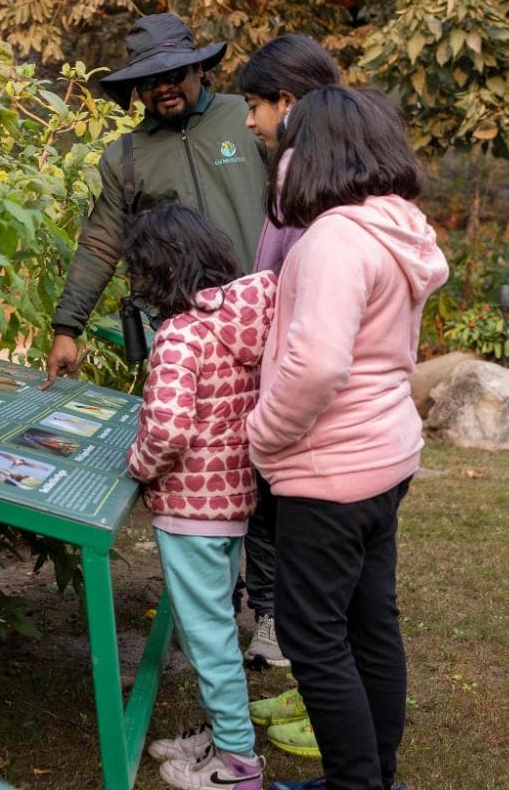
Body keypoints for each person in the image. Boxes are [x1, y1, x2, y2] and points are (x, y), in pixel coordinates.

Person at [247, 87, 448, 790]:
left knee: (312, 636)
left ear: (312, 152)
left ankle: (357, 785)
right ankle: (372, 779)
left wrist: (260, 436)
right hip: (385, 459)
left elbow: (318, 364)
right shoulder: (398, 230)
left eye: (285, 144)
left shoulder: (334, 237)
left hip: (329, 471)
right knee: (369, 623)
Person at [123, 203, 276, 790]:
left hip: (189, 507)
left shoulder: (180, 334)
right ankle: (219, 733)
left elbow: (166, 429)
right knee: (210, 625)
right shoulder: (238, 323)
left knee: (207, 635)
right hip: (232, 501)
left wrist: (138, 465)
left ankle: (236, 765)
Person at [44, 13, 268, 387]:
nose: (163, 87)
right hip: (185, 340)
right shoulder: (126, 158)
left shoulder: (248, 119)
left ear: (198, 67)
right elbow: (100, 244)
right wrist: (67, 328)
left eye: (174, 74)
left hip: (266, 318)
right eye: (148, 80)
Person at [229, 34, 343, 672]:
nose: (249, 120)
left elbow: (284, 284)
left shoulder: (301, 174)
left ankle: (281, 634)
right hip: (346, 422)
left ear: (288, 101)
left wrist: (265, 427)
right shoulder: (343, 169)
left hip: (300, 401)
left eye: (255, 104)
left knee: (281, 529)